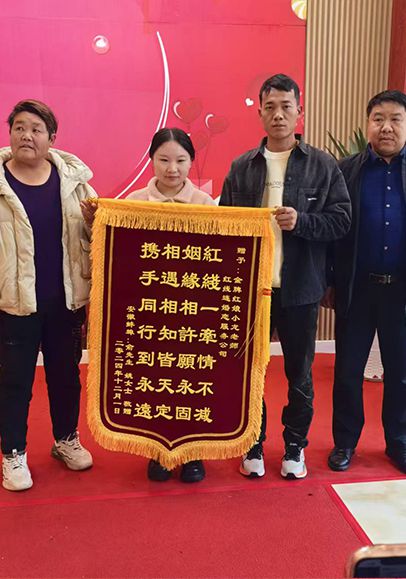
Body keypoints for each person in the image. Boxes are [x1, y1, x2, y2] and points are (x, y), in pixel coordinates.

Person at [219, 74, 351, 479]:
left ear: (299, 112)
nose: (278, 115)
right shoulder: (241, 167)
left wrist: (302, 221)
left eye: (286, 107)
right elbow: (223, 226)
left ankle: (295, 447)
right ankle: (253, 444)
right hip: (252, 289)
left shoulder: (323, 165)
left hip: (301, 289)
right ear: (260, 113)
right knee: (250, 371)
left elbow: (342, 220)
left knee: (300, 374)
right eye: (270, 107)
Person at [0, 99, 96, 491]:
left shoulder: (74, 182)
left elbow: (96, 235)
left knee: (65, 376)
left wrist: (95, 223)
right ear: (10, 133)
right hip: (14, 303)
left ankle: (66, 439)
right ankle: (13, 453)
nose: (27, 135)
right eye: (19, 127)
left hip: (65, 301)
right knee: (14, 381)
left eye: (36, 129)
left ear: (51, 138)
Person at [127, 127, 216, 483]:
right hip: (151, 311)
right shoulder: (132, 204)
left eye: (180, 160)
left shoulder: (207, 205)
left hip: (193, 312)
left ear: (191, 161)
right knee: (155, 380)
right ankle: (159, 452)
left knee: (193, 380)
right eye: (163, 160)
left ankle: (193, 453)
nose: (172, 169)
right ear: (152, 160)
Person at [326, 90, 406, 474]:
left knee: (401, 372)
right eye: (378, 119)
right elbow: (333, 232)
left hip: (401, 291)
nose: (386, 127)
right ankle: (344, 443)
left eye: (395, 119)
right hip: (356, 287)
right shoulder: (346, 171)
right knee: (348, 370)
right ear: (367, 123)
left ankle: (399, 442)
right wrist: (329, 280)